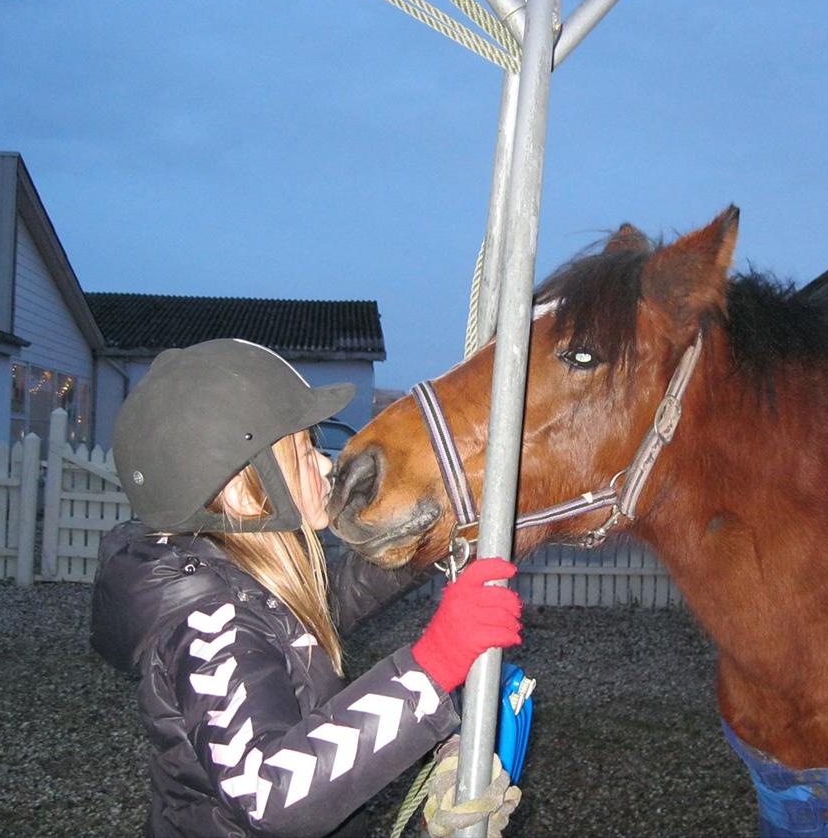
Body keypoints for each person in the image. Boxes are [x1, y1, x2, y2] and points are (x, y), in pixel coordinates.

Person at [91, 338, 522, 838]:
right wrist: (434, 665)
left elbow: (328, 604)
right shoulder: (209, 623)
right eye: (304, 451)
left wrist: (427, 537)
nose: (324, 464)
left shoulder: (246, 584)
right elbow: (270, 794)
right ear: (242, 493)